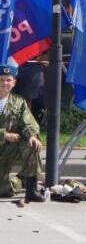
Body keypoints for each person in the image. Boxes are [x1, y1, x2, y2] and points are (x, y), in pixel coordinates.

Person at [0, 63, 45, 203]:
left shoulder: (19, 103)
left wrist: (32, 135)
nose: (4, 83)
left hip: (9, 149)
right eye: (1, 80)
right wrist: (4, 135)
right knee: (3, 190)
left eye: (8, 80)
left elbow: (28, 122)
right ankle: (19, 180)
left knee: (31, 144)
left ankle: (31, 189)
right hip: (6, 140)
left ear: (14, 83)